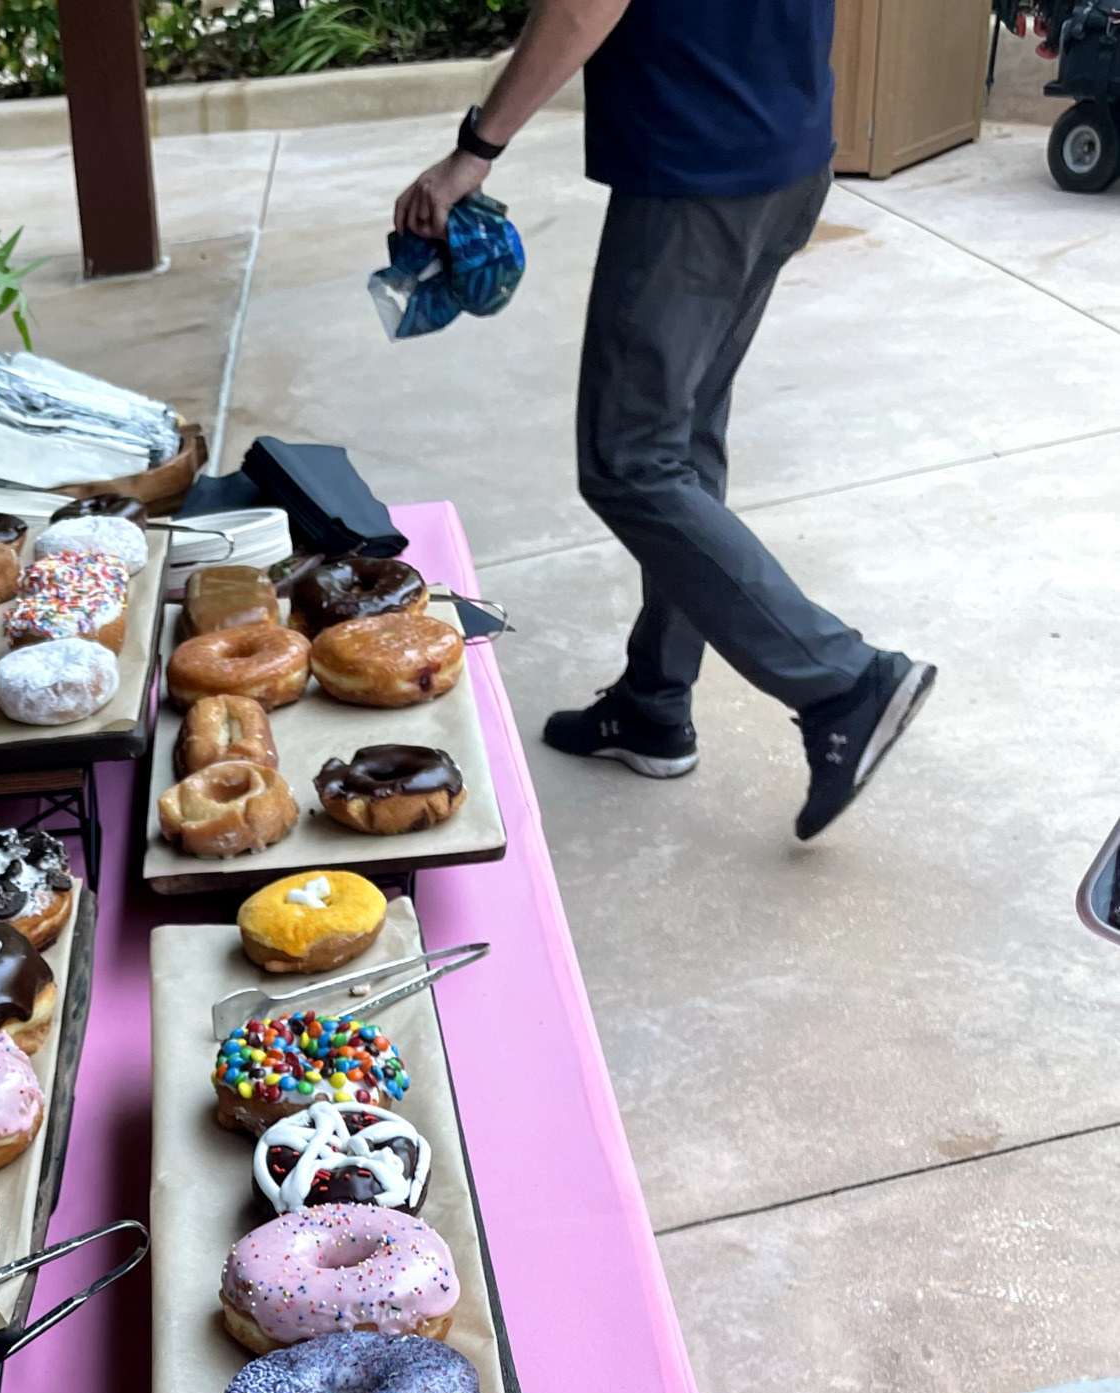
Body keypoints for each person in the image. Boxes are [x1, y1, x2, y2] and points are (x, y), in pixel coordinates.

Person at [396, 0, 936, 841]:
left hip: (699, 171)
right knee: (678, 442)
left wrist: (475, 150)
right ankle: (654, 703)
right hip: (782, 147)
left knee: (630, 461)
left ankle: (844, 682)